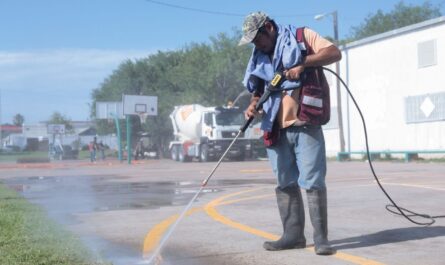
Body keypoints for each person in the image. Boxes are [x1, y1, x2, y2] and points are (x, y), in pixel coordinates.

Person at [239, 11, 341, 255]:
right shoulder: (260, 56)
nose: (256, 44)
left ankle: (321, 239)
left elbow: (334, 53)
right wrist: (254, 104)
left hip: (304, 123)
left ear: (270, 28)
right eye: (252, 41)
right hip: (276, 127)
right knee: (284, 182)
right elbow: (260, 87)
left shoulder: (302, 36)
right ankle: (292, 235)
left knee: (313, 181)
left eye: (258, 39)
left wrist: (302, 64)